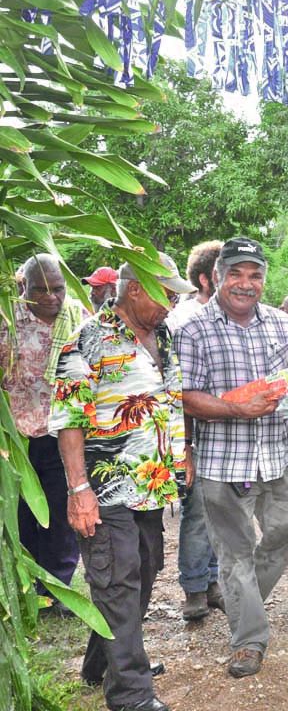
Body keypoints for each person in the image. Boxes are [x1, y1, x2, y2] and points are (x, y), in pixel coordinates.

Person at [52, 252, 196, 711]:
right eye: (167, 293)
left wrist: (182, 451)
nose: (172, 302)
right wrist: (78, 491)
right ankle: (131, 694)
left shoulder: (164, 336)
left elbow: (169, 402)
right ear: (136, 289)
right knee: (117, 580)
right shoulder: (87, 340)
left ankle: (102, 663)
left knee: (144, 573)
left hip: (151, 484)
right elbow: (69, 420)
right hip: (103, 487)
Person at [175, 238, 288, 679]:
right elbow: (184, 397)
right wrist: (236, 408)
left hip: (277, 453)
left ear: (264, 280)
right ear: (216, 276)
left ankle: (243, 598)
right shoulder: (193, 328)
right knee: (234, 552)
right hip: (223, 461)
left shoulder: (280, 323)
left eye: (254, 275)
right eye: (235, 273)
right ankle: (248, 640)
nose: (245, 283)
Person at [1, 256, 86, 612]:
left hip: (60, 433)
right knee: (22, 514)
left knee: (60, 514)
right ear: (24, 289)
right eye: (41, 290)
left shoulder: (79, 319)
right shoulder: (7, 321)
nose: (52, 298)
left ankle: (57, 590)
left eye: (59, 290)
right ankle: (28, 587)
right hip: (15, 438)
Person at [168, 240, 225, 622]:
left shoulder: (230, 317)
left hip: (224, 430)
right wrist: (185, 446)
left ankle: (212, 582)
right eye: (226, 274)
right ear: (205, 280)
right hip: (194, 431)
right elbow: (180, 392)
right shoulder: (184, 320)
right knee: (198, 511)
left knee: (220, 512)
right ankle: (193, 587)